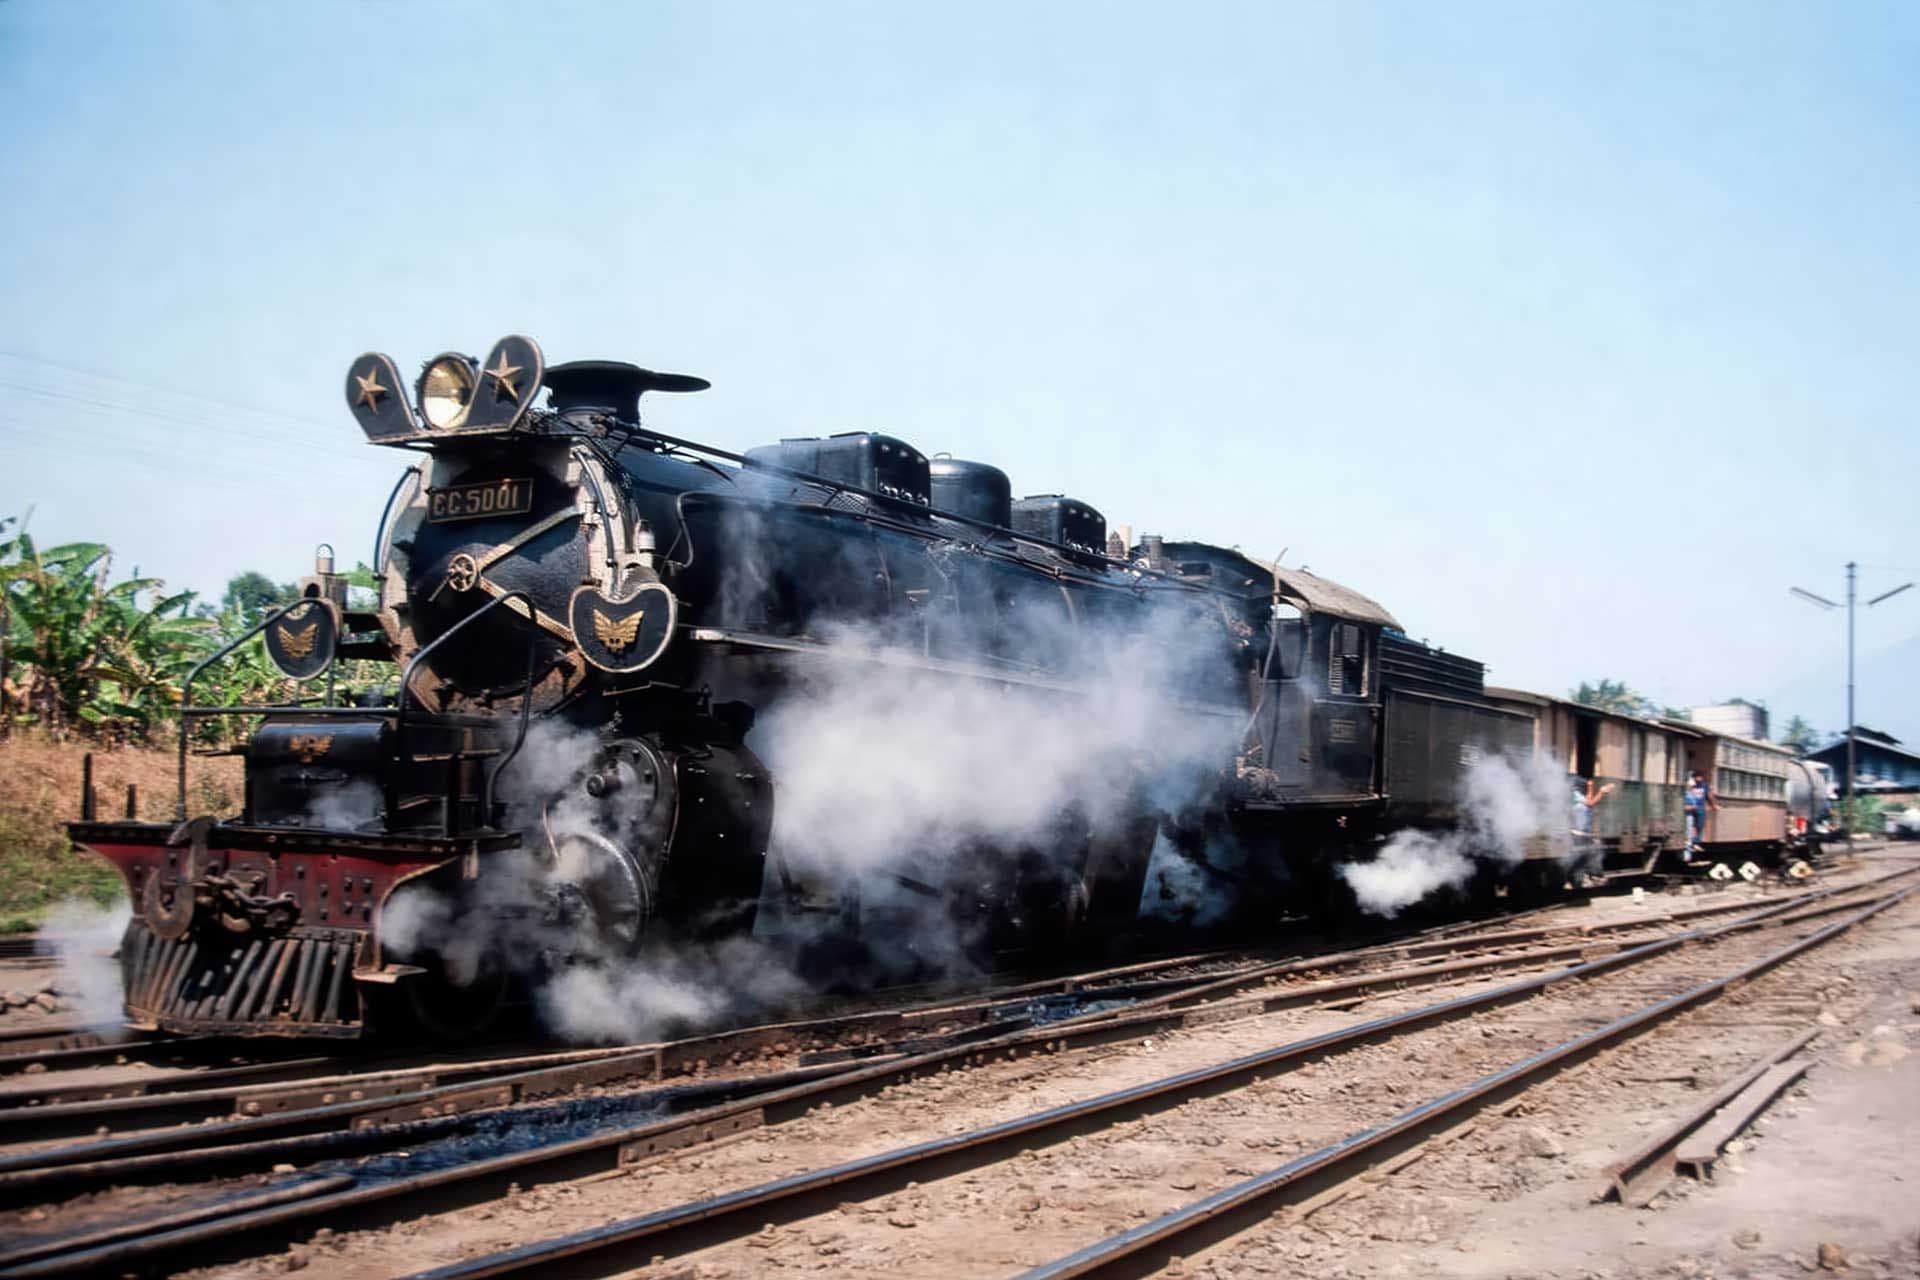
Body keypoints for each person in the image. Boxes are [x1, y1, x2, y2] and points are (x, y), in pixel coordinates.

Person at [1683, 769, 1717, 854]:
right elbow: (1685, 794)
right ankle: (1688, 842)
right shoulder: (1690, 785)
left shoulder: (1704, 785)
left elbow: (1709, 795)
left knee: (1700, 825)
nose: (1699, 778)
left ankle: (1696, 842)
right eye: (1697, 777)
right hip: (1690, 807)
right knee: (1689, 825)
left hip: (1700, 807)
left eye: (1700, 777)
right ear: (1693, 777)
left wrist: (1713, 805)